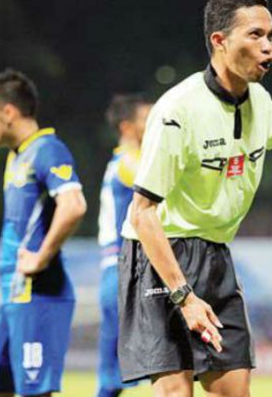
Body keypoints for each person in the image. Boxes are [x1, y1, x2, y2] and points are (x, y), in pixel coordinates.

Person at [118, 0, 272, 397]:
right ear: (219, 41)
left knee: (234, 390)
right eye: (256, 35)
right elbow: (142, 213)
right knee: (177, 391)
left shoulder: (258, 100)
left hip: (215, 254)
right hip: (161, 255)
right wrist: (184, 296)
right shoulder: (178, 111)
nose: (269, 47)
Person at [0, 69, 87, 397]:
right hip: (14, 295)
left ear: (8, 112)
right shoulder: (17, 157)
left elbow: (74, 205)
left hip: (39, 296)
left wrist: (41, 257)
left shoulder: (47, 150)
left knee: (34, 393)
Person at [96, 94, 152, 397]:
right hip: (124, 269)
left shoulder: (121, 160)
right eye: (149, 119)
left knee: (113, 374)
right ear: (128, 126)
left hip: (117, 269)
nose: (156, 124)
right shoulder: (131, 162)